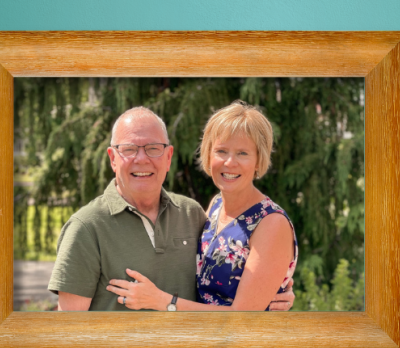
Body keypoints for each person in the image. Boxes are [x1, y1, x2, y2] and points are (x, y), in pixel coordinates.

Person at [48, 106, 295, 311]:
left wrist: (164, 302)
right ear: (113, 158)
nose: (230, 162)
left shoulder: (192, 213)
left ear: (168, 157)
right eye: (221, 151)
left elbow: (244, 317)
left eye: (242, 153)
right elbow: (69, 331)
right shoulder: (213, 210)